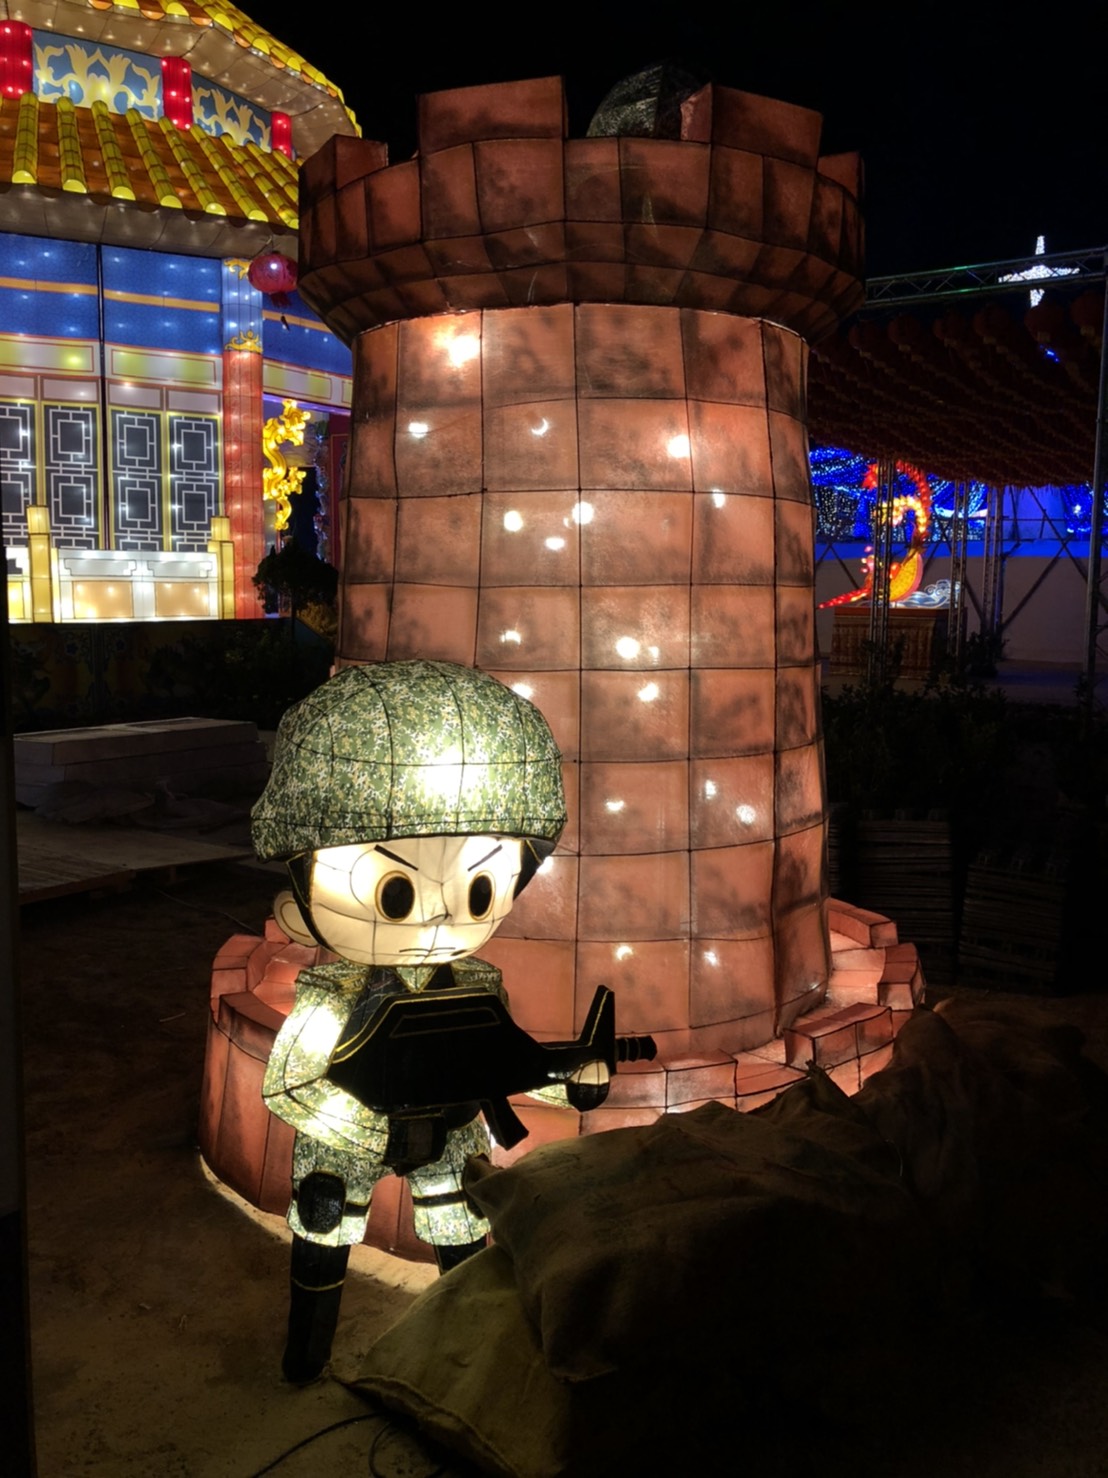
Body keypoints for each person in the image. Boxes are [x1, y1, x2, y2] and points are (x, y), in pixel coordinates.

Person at [251, 659, 606, 1382]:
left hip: (450, 1133)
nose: (442, 913)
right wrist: (368, 1124)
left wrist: (567, 1079)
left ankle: (461, 1356)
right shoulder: (332, 994)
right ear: (296, 904)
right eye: (393, 890)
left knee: (462, 1238)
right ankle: (306, 1356)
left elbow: (500, 1058)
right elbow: (290, 1085)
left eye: (480, 888)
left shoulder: (475, 984)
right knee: (324, 1227)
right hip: (346, 1145)